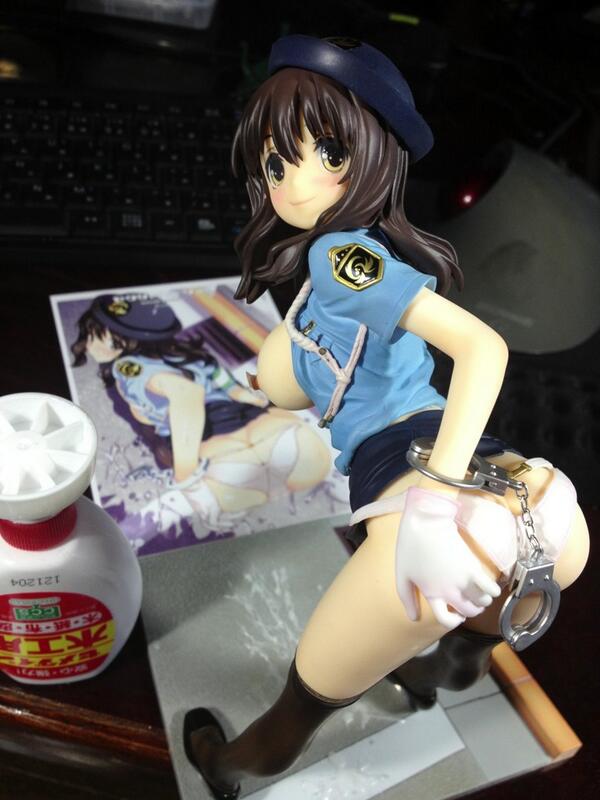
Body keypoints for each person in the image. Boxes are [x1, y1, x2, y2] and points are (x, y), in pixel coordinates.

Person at [183, 36, 590, 799]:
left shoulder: (341, 258)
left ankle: (237, 765)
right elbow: (299, 376)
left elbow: (482, 347)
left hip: (413, 466)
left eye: (326, 152)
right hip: (534, 505)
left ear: (371, 157)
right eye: (274, 162)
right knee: (469, 615)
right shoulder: (351, 258)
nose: (290, 181)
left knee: (308, 688)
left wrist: (433, 500)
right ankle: (449, 665)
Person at [72, 292, 331, 531]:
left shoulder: (126, 368)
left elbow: (186, 393)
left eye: (93, 335)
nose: (89, 345)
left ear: (118, 339)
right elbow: (239, 393)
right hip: (291, 441)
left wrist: (185, 476)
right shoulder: (195, 358)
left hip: (222, 463)